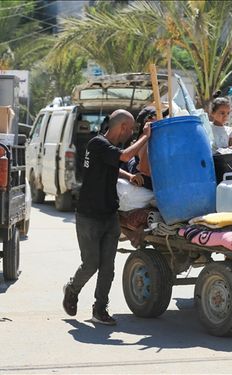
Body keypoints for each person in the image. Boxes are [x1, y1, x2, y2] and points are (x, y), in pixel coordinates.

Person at [63, 109, 151, 325]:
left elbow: (114, 164)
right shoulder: (97, 144)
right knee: (91, 264)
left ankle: (100, 308)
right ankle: (72, 289)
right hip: (89, 216)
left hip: (109, 215)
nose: (130, 133)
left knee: (108, 267)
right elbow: (124, 157)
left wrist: (129, 175)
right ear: (122, 127)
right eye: (130, 129)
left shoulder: (106, 148)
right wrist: (146, 136)